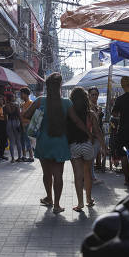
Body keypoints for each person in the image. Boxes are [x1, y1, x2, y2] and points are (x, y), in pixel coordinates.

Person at [22, 73, 92, 213]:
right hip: (60, 142)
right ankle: (57, 205)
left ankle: (49, 197)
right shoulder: (66, 102)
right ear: (60, 86)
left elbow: (25, 115)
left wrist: (38, 120)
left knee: (46, 174)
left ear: (47, 86)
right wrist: (89, 133)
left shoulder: (40, 101)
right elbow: (77, 121)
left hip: (44, 142)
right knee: (58, 175)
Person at [69, 87, 107, 211]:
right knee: (88, 174)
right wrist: (104, 146)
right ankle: (89, 199)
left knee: (78, 175)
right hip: (87, 145)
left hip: (74, 146)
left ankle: (80, 203)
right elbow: (98, 132)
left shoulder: (70, 112)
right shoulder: (90, 114)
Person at [88, 86, 104, 177]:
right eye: (93, 95)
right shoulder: (90, 107)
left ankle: (92, 176)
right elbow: (92, 121)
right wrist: (97, 113)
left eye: (96, 94)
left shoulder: (95, 106)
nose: (95, 96)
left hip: (97, 134)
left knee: (92, 158)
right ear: (89, 95)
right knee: (91, 158)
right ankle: (91, 177)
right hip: (93, 135)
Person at [4, 92, 23, 163]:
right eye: (14, 96)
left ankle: (12, 158)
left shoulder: (5, 106)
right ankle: (19, 157)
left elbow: (5, 118)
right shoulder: (16, 105)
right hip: (16, 122)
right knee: (18, 141)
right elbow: (19, 116)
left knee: (11, 141)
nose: (14, 97)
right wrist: (21, 125)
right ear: (12, 98)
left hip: (9, 123)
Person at [19, 87, 35, 161]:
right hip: (22, 124)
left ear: (26, 94)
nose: (20, 95)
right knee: (22, 140)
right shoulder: (22, 104)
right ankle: (24, 156)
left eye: (21, 94)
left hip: (28, 124)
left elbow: (32, 115)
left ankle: (31, 156)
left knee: (28, 141)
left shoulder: (31, 103)